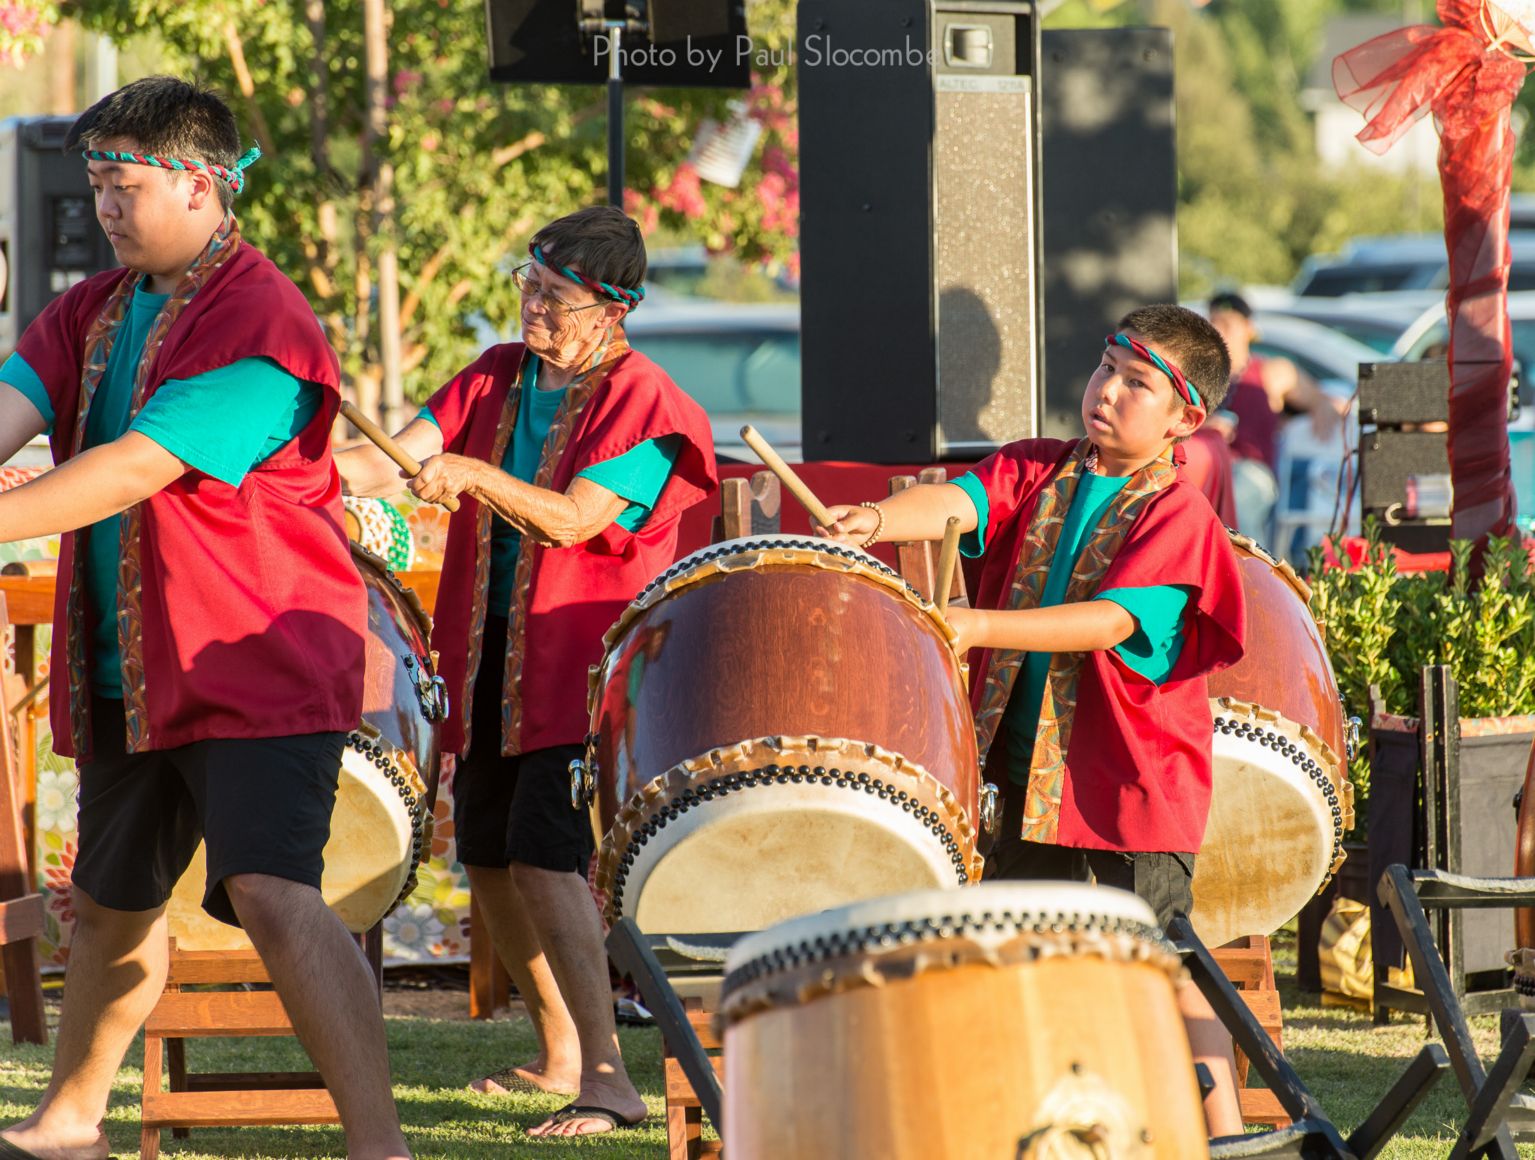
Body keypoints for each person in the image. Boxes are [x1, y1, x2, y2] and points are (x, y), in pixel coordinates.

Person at [0, 78, 409, 1160]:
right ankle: (70, 1119)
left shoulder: (261, 319)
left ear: (200, 180)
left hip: (259, 656)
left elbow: (133, 468)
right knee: (110, 901)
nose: (105, 208)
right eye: (95, 185)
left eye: (123, 184)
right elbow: (11, 409)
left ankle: (383, 1147)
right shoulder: (91, 309)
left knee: (273, 893)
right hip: (136, 663)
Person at [819, 304, 1249, 1138]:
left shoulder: (1177, 515)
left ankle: (1229, 1139)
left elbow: (1108, 624)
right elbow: (958, 502)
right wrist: (869, 520)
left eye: (1136, 384)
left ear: (1183, 417)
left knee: (1156, 964)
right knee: (1021, 960)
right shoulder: (1040, 470)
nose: (1107, 393)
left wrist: (975, 625)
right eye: (1103, 370)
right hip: (1017, 783)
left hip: (1123, 790)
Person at [337, 205, 718, 1138]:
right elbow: (391, 462)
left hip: (584, 665)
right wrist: (277, 469)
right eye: (529, 286)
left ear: (612, 310)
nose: (533, 308)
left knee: (549, 863)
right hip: (488, 656)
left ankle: (609, 1078)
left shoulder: (649, 403)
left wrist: (472, 475)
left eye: (554, 297)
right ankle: (557, 1054)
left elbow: (576, 518)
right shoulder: (495, 374)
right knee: (490, 858)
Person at [1207, 291, 1346, 543]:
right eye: (1213, 322)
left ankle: (1251, 575)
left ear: (1248, 329)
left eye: (1227, 324)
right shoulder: (1199, 376)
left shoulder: (1271, 371)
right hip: (1209, 467)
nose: (1218, 330)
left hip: (1250, 471)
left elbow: (1319, 398)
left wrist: (1322, 406)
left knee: (1240, 495)